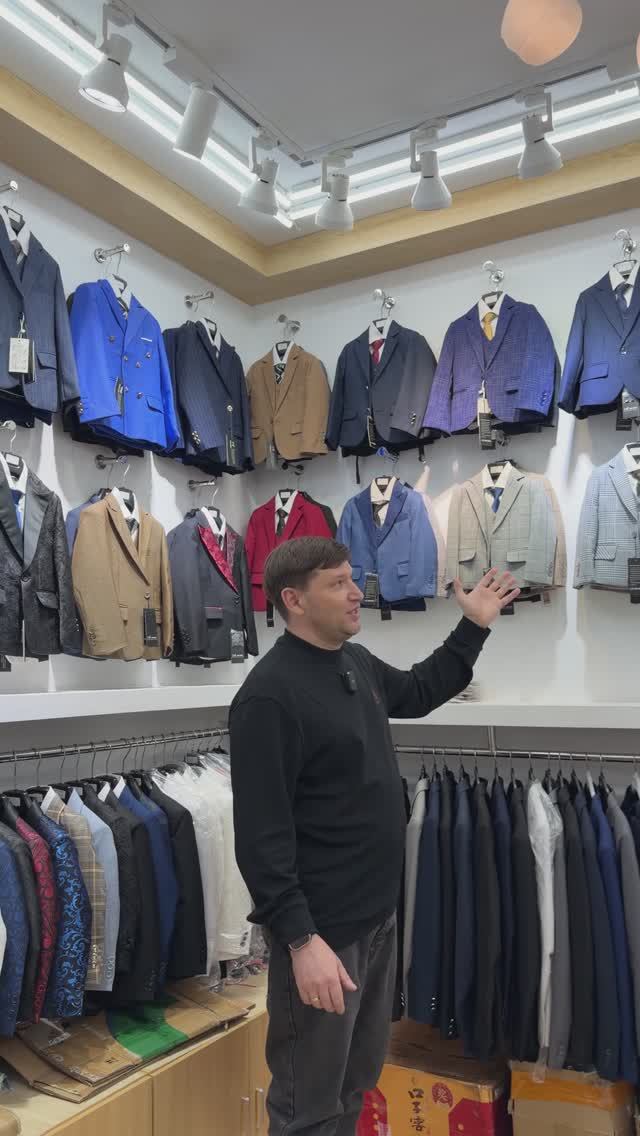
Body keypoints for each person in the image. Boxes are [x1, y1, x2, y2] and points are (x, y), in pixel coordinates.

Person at [229, 536, 519, 1136]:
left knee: (356, 1085)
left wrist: (473, 627)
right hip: (323, 935)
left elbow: (418, 690)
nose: (355, 593)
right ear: (294, 600)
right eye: (337, 583)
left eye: (352, 578)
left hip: (374, 919)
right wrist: (301, 940)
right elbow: (261, 838)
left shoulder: (353, 663)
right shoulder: (267, 697)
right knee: (308, 1107)